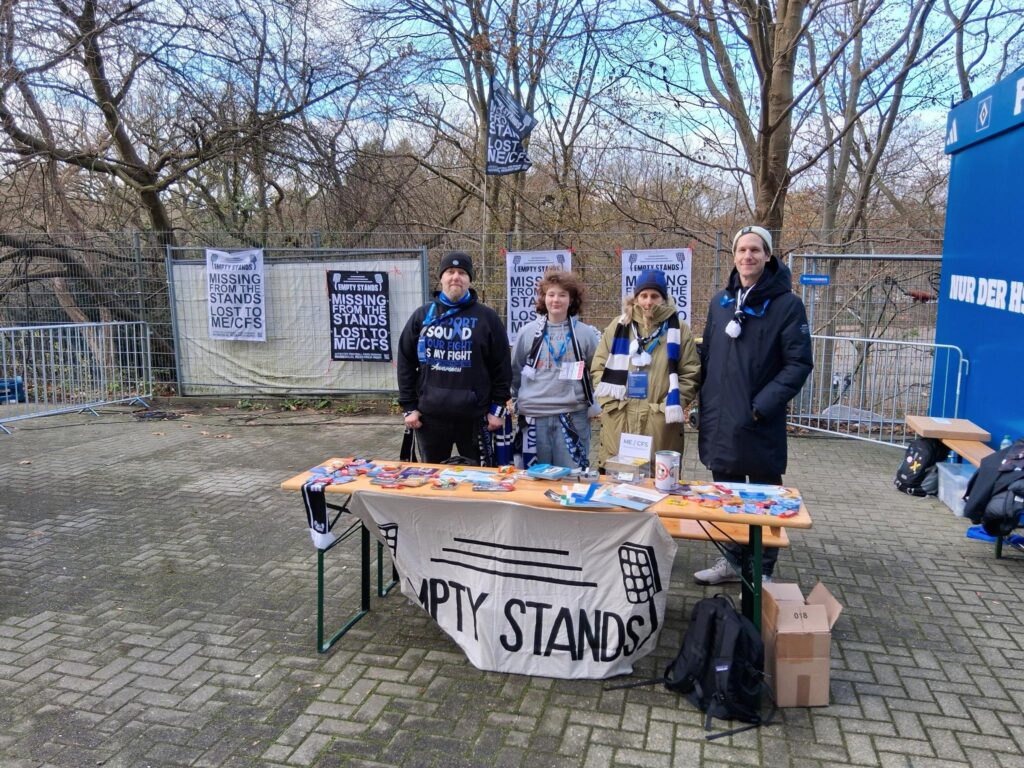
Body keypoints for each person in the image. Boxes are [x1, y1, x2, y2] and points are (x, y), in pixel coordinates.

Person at [694, 225, 813, 585]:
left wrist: (761, 406)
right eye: (742, 250)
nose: (748, 256)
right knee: (727, 498)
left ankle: (761, 569)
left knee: (764, 498)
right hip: (720, 423)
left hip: (760, 422)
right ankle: (731, 562)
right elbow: (710, 355)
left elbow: (799, 364)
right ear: (734, 257)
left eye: (755, 250)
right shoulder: (721, 302)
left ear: (768, 256)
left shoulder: (788, 305)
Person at [397, 251, 512, 464]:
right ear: (441, 278)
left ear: (469, 279)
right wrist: (409, 408)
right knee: (431, 481)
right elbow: (405, 362)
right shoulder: (422, 316)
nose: (455, 277)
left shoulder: (487, 318)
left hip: (475, 419)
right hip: (429, 418)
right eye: (450, 272)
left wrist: (497, 409)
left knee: (477, 482)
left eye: (462, 272)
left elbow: (502, 368)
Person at [591, 268, 700, 468]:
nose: (648, 301)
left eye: (655, 296)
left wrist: (665, 408)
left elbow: (689, 374)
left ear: (664, 299)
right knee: (618, 482)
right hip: (620, 419)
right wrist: (610, 403)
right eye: (643, 295)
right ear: (635, 298)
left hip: (659, 422)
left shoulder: (679, 330)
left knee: (657, 482)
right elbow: (598, 367)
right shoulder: (618, 326)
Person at [511, 269, 601, 469]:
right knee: (533, 482)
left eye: (562, 295)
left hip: (572, 416)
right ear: (544, 299)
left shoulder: (585, 334)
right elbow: (515, 371)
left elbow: (598, 370)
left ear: (571, 300)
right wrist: (519, 402)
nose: (556, 300)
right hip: (534, 418)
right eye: (551, 294)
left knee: (571, 479)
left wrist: (593, 402)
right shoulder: (527, 333)